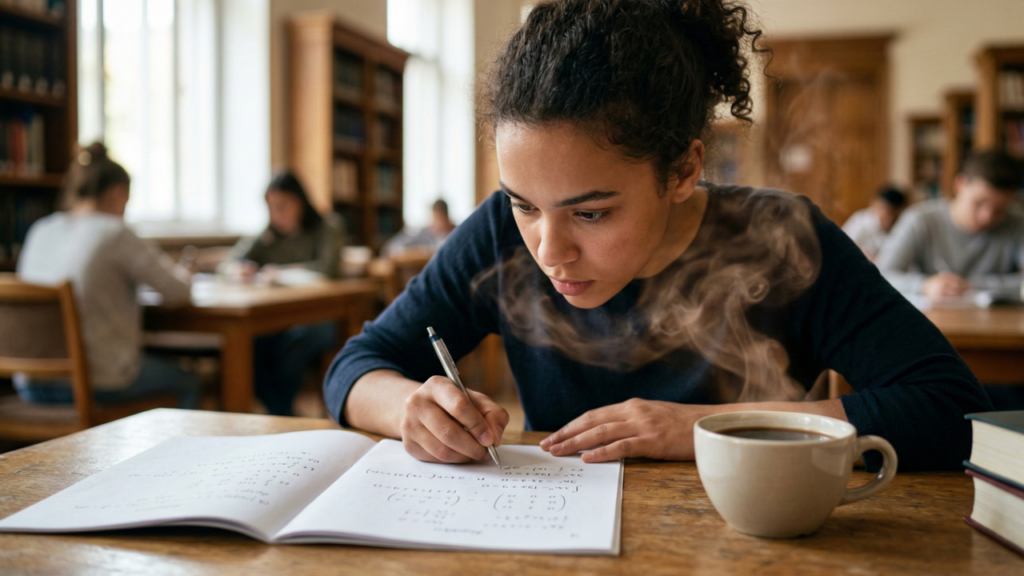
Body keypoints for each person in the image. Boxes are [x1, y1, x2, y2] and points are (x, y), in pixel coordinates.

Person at [325, 0, 990, 472]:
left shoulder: (783, 238)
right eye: (525, 203)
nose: (548, 250)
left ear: (683, 170)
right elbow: (355, 367)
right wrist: (409, 405)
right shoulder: (498, 233)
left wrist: (714, 430)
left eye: (592, 213)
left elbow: (951, 410)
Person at [15, 142, 200, 408]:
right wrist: (184, 274)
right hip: (95, 382)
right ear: (118, 193)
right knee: (189, 381)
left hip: (30, 383)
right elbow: (179, 291)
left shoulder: (41, 230)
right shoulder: (115, 232)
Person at [224, 171, 343, 415]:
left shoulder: (326, 228)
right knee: (250, 346)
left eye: (282, 206)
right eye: (271, 207)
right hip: (278, 319)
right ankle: (282, 413)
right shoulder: (269, 234)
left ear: (300, 202)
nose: (276, 214)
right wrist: (238, 269)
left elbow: (327, 270)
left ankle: (282, 414)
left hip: (321, 316)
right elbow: (231, 261)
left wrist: (280, 273)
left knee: (293, 345)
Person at [876, 150, 1024, 303]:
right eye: (979, 202)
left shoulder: (1018, 223)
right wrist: (924, 285)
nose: (987, 217)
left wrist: (972, 285)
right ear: (960, 184)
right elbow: (881, 275)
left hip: (997, 323)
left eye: (999, 209)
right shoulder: (920, 220)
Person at [841, 186, 907, 260]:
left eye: (894, 214)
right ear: (878, 206)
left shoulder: (902, 225)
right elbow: (843, 246)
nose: (890, 218)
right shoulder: (861, 221)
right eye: (888, 213)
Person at [381, 199, 457, 257]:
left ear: (447, 217)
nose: (438, 223)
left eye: (441, 219)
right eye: (436, 218)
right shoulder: (424, 233)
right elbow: (391, 247)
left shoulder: (456, 233)